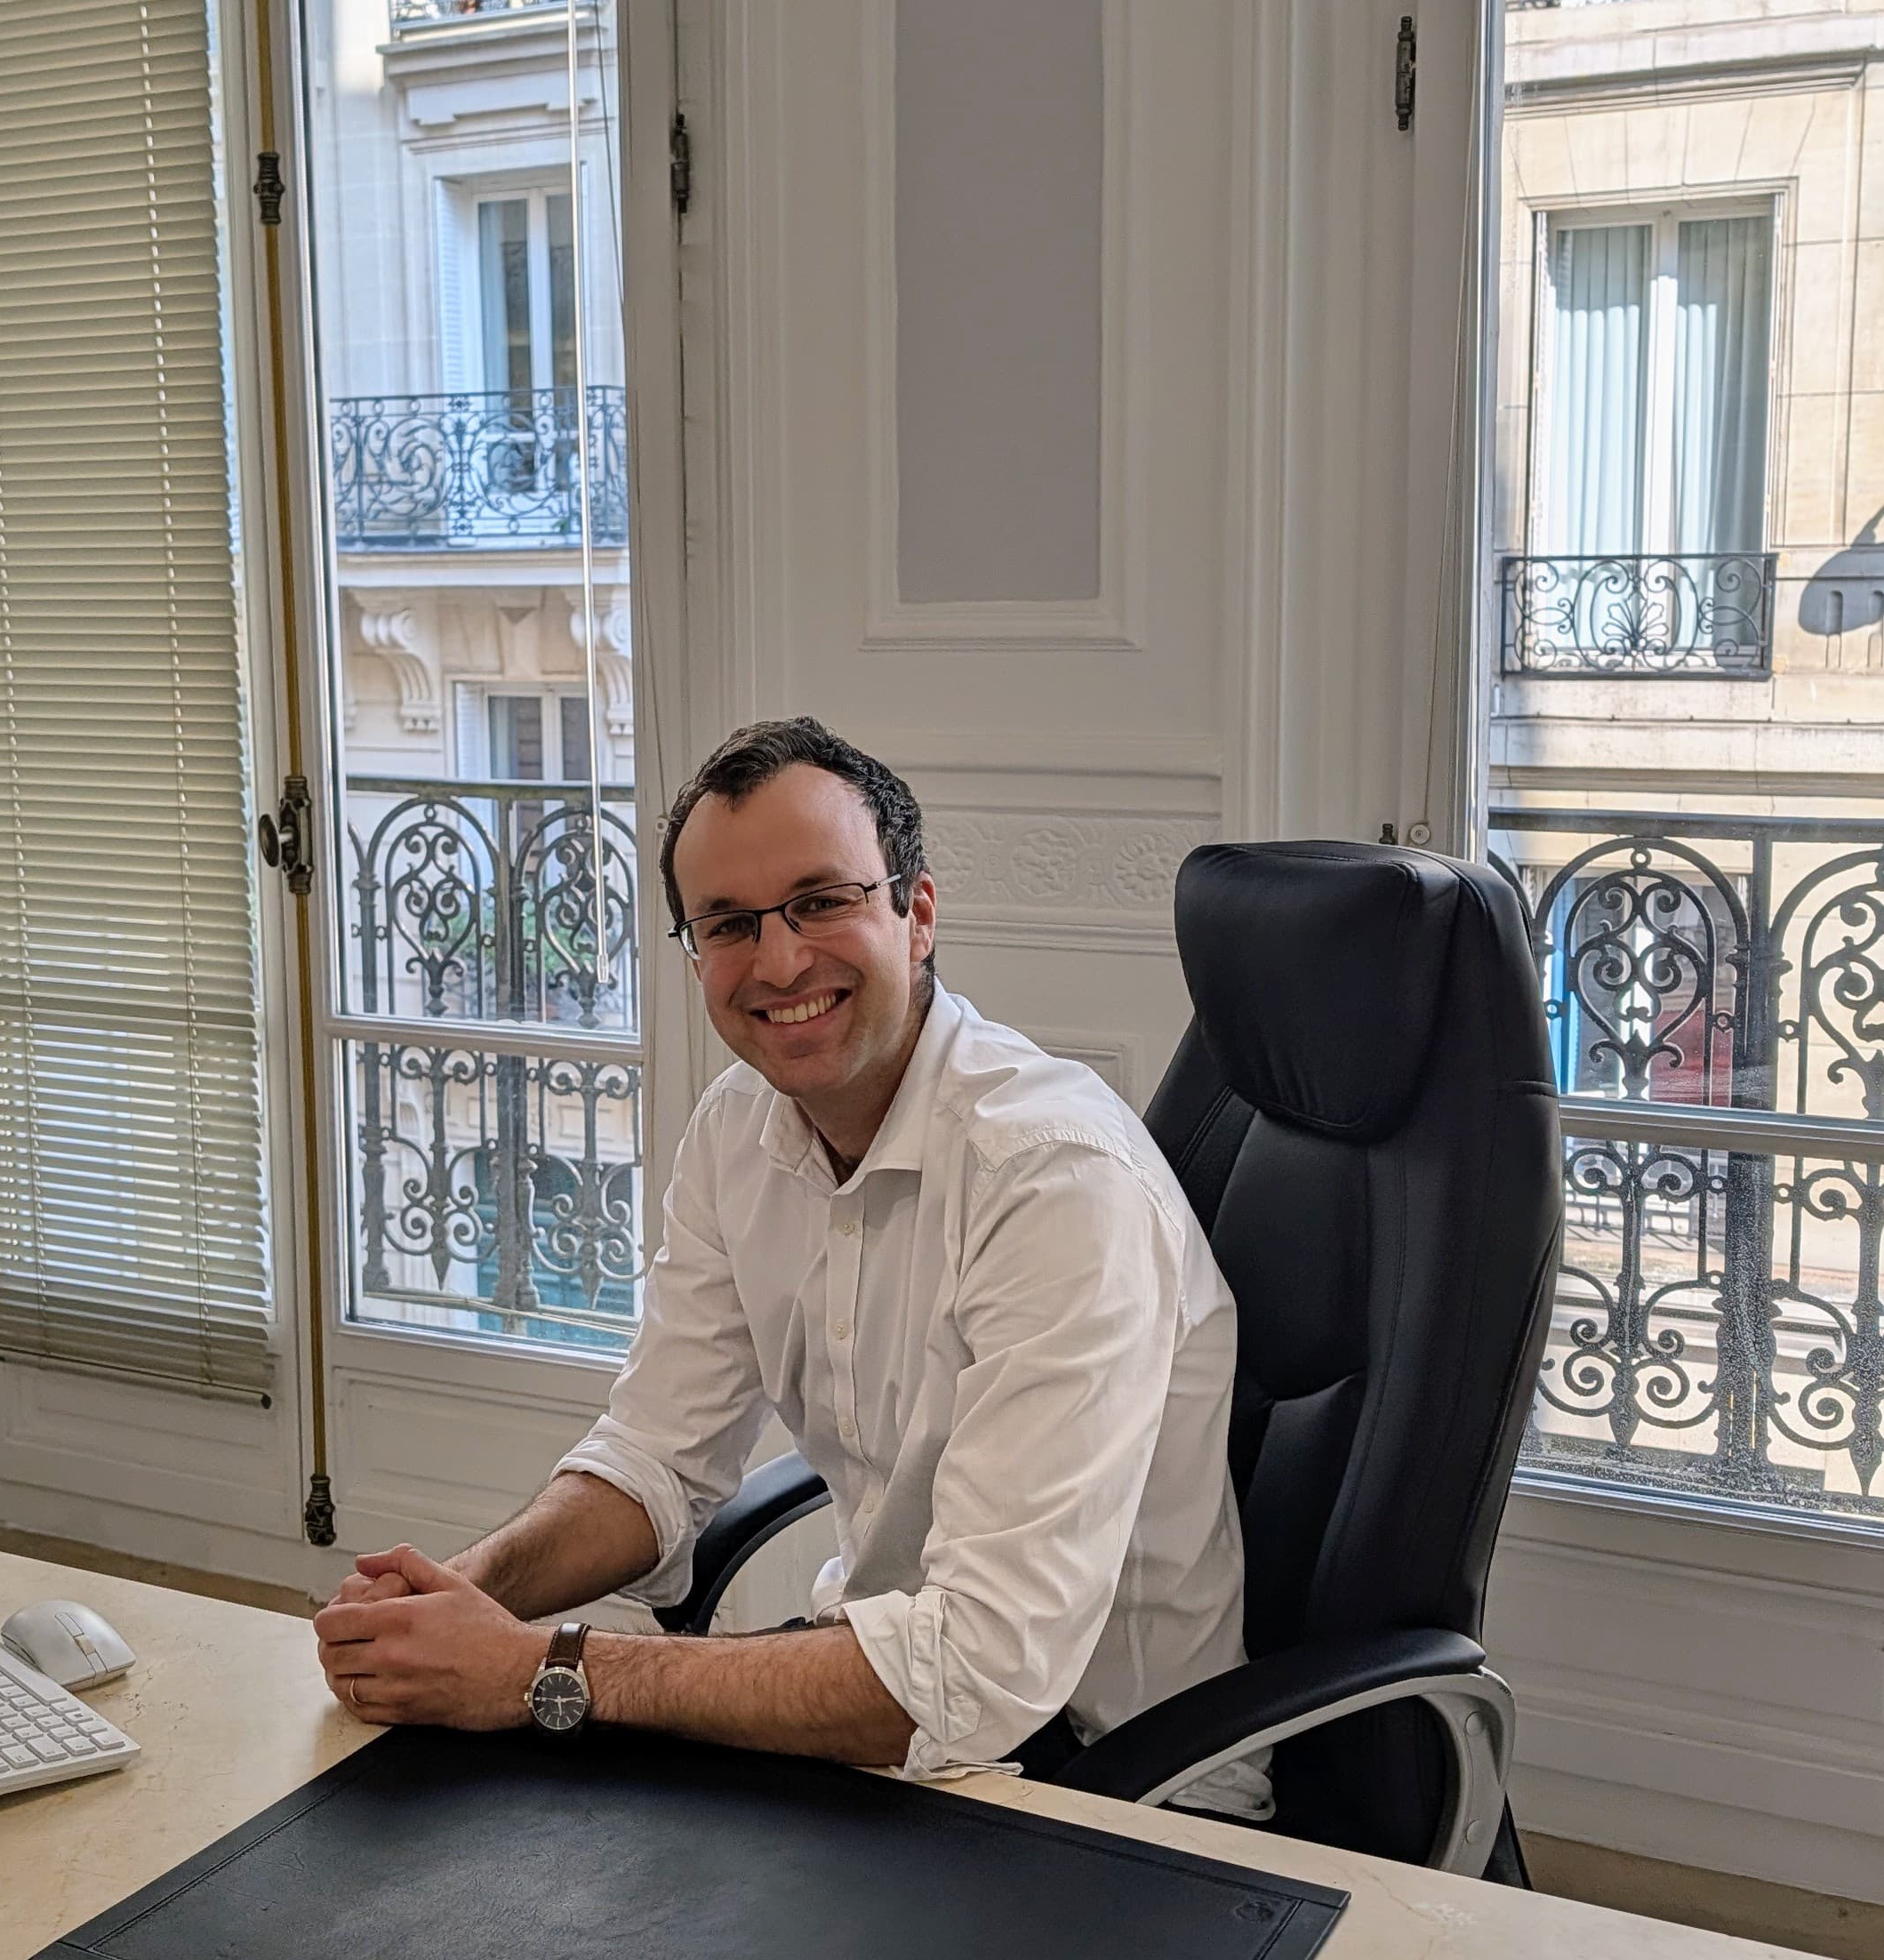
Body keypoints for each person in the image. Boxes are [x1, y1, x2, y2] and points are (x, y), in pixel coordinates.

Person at [312, 718, 1245, 1774]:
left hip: (1110, 1781)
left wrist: (539, 1670)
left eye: (822, 901)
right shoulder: (738, 1128)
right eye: (728, 924)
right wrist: (459, 1599)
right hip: (893, 1717)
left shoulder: (1054, 1178)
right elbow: (654, 1458)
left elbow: (978, 1671)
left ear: (916, 914)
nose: (780, 960)